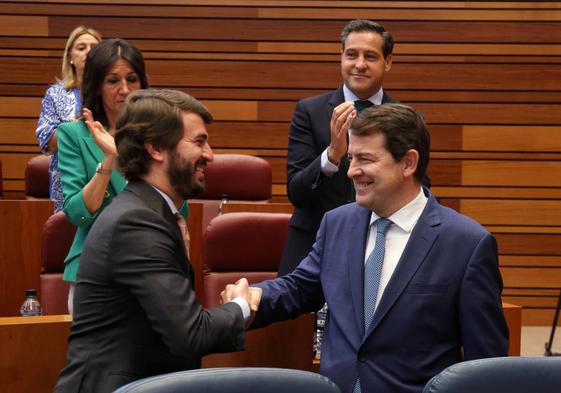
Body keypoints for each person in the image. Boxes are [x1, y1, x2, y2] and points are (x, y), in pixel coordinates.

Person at [246, 104, 508, 393]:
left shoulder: (466, 243)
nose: (351, 171)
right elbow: (299, 287)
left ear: (408, 163)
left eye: (365, 159)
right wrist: (254, 296)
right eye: (350, 158)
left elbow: (485, 366)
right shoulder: (336, 224)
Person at [54, 89, 255, 393]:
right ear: (157, 149)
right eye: (199, 142)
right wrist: (241, 306)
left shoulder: (150, 211)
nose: (210, 154)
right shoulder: (136, 222)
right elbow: (190, 333)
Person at [278, 19, 399, 275]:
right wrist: (332, 155)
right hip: (315, 248)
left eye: (371, 56)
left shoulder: (405, 118)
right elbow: (297, 193)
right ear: (341, 57)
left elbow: (420, 188)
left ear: (387, 62)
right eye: (351, 54)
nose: (359, 64)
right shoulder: (309, 111)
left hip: (382, 247)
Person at [57, 38, 165, 314]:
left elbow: (177, 208)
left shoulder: (157, 135)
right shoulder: (74, 135)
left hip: (151, 267)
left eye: (132, 79)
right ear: (97, 85)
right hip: (94, 271)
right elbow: (77, 212)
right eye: (113, 80)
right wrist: (110, 159)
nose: (125, 89)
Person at [36, 26, 101, 212]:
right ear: (70, 57)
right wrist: (78, 126)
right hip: (68, 182)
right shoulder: (55, 94)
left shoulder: (113, 92)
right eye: (81, 48)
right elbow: (46, 141)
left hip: (108, 174)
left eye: (94, 47)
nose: (88, 52)